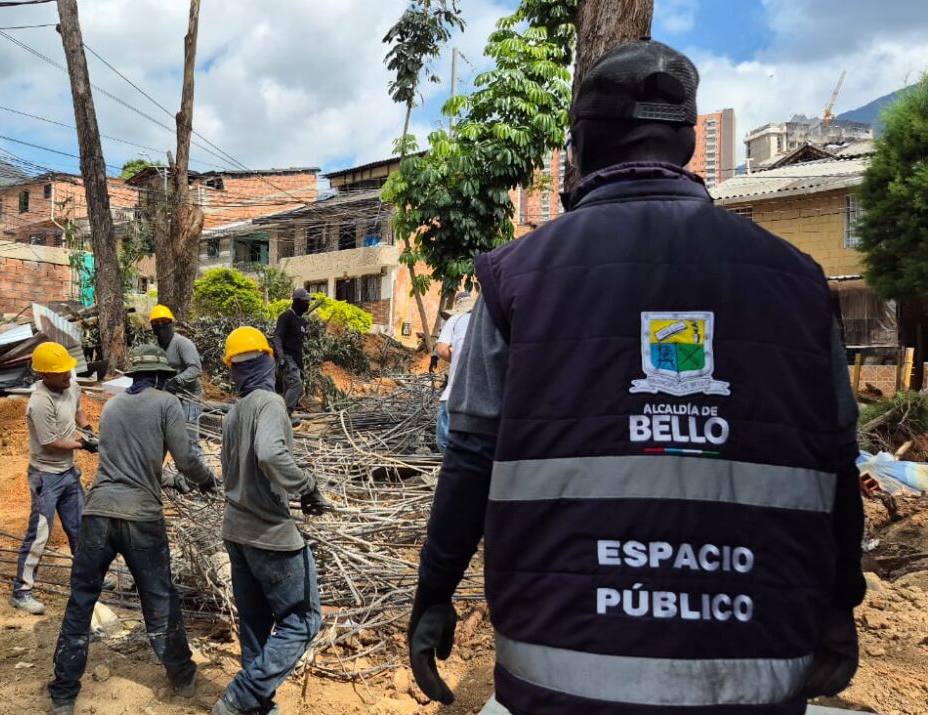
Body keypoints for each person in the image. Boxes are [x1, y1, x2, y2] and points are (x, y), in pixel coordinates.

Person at [409, 39, 865, 715]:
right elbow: (834, 461)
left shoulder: (511, 280)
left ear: (582, 145)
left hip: (563, 678)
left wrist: (434, 591)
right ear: (686, 143)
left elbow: (472, 456)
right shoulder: (800, 284)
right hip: (754, 677)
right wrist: (837, 605)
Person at [48, 344, 219, 715]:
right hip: (141, 519)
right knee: (159, 599)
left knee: (81, 601)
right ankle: (183, 678)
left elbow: (125, 460)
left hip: (98, 515)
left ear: (134, 376)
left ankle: (63, 694)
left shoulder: (113, 408)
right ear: (161, 376)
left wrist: (169, 479)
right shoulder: (167, 404)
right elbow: (188, 458)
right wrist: (205, 480)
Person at [213, 327, 332, 715]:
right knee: (304, 620)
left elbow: (232, 473)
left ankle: (256, 706)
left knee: (254, 626)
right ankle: (242, 696)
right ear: (268, 360)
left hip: (236, 532)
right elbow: (270, 455)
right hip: (269, 535)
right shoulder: (270, 403)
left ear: (233, 371)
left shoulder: (233, 415)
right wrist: (308, 486)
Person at [9, 341, 98, 616]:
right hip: (46, 476)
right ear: (45, 375)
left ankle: (88, 581)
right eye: (62, 375)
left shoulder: (69, 384)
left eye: (69, 372)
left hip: (68, 473)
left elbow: (78, 407)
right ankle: (21, 592)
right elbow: (49, 443)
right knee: (39, 534)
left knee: (81, 531)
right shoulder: (39, 402)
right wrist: (83, 446)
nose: (69, 377)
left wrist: (88, 430)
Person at [149, 304, 206, 466]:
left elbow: (196, 369)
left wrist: (177, 380)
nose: (160, 327)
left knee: (189, 440)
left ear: (171, 324)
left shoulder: (183, 344)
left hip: (189, 397)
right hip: (167, 397)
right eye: (156, 324)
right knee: (161, 438)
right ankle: (153, 474)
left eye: (164, 323)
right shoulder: (155, 347)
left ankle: (201, 480)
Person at [434, 291, 475, 455]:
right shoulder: (491, 322)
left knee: (445, 444)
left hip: (453, 395)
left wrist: (458, 359)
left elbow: (441, 349)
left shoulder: (454, 320)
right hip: (483, 398)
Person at [273, 288, 310, 415]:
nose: (308, 304)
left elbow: (299, 344)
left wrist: (301, 365)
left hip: (296, 360)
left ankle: (278, 416)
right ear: (296, 301)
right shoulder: (285, 317)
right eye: (305, 301)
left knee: (288, 388)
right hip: (287, 358)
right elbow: (277, 336)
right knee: (296, 384)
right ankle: (285, 415)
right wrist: (281, 357)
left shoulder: (302, 321)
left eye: (308, 302)